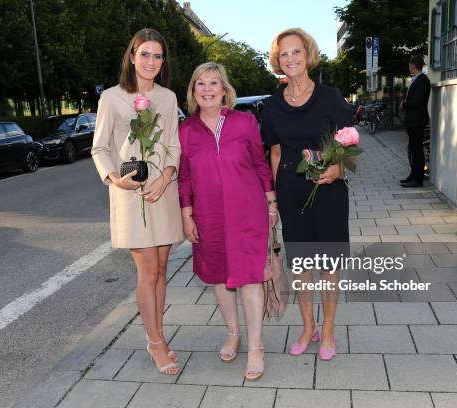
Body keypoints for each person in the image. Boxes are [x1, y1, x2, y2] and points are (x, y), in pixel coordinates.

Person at [91, 28, 183, 375]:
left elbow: (173, 144)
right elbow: (99, 148)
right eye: (144, 54)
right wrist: (115, 179)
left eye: (157, 56)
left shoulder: (168, 97)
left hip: (163, 190)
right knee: (147, 271)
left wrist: (166, 176)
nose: (151, 62)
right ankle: (156, 342)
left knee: (161, 270)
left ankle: (156, 334)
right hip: (131, 195)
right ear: (131, 56)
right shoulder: (112, 98)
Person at [178, 62, 277, 381]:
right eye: (200, 84)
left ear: (224, 90)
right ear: (193, 91)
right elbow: (185, 177)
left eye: (214, 83)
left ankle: (256, 347)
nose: (207, 89)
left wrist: (271, 202)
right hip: (210, 216)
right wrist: (186, 214)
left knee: (250, 278)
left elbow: (261, 165)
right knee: (220, 277)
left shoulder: (245, 122)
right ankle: (233, 333)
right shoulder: (186, 131)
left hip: (248, 212)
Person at [262, 28, 353, 361]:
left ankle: (328, 329)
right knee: (300, 264)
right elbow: (274, 153)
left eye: (296, 52)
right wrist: (273, 200)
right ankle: (307, 326)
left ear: (308, 54)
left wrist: (337, 169)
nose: (290, 59)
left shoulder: (330, 97)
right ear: (278, 60)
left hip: (328, 192)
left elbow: (350, 143)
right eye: (283, 54)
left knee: (328, 264)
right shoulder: (271, 106)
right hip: (291, 193)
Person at [399, 55, 431, 188]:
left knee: (417, 150)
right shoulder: (416, 79)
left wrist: (404, 104)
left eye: (409, 64)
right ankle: (413, 175)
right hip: (413, 121)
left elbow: (417, 102)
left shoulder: (423, 80)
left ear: (413, 65)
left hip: (417, 120)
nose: (409, 66)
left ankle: (418, 179)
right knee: (413, 149)